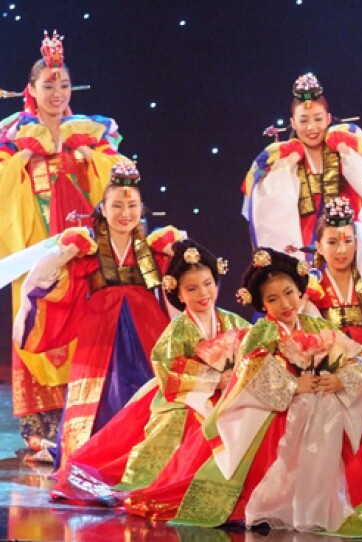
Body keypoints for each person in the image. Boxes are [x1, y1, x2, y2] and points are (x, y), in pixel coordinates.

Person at [126, 248, 362, 533]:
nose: (285, 304)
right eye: (272, 299)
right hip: (278, 410)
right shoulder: (261, 331)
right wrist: (293, 385)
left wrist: (340, 379)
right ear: (262, 304)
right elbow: (250, 371)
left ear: (301, 291)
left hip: (321, 403)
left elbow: (360, 358)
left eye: (290, 292)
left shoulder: (318, 325)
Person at [0, 30, 124, 455]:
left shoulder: (91, 132)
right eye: (48, 85)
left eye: (64, 85)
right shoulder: (11, 135)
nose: (57, 92)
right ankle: (38, 426)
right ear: (31, 90)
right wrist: (22, 158)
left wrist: (95, 159)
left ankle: (83, 419)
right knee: (37, 323)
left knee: (79, 327)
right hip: (35, 244)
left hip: (80, 248)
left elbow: (119, 178)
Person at [51, 240, 249, 503]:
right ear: (178, 294)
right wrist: (214, 380)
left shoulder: (232, 321)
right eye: (192, 288)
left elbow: (252, 352)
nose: (203, 293)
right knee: (176, 424)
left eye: (208, 283)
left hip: (225, 393)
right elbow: (169, 368)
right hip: (182, 397)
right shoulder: (179, 328)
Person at [14, 161, 179, 467]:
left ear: (142, 208)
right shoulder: (90, 248)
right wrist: (65, 251)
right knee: (102, 397)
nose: (125, 213)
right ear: (103, 208)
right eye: (116, 205)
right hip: (100, 334)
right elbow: (42, 280)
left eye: (132, 205)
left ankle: (147, 455)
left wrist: (176, 250)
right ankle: (97, 453)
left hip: (148, 332)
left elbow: (188, 282)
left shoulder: (152, 247)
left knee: (147, 392)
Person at [241, 73, 362, 257]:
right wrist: (284, 167)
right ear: (293, 123)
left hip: (344, 236)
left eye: (318, 119)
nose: (311, 127)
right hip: (303, 238)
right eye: (303, 120)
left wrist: (346, 151)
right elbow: (270, 204)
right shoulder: (284, 157)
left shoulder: (342, 146)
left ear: (329, 118)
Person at [309, 197, 362, 345]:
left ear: (356, 243)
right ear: (319, 247)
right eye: (332, 242)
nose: (341, 250)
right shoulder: (313, 287)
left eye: (348, 241)